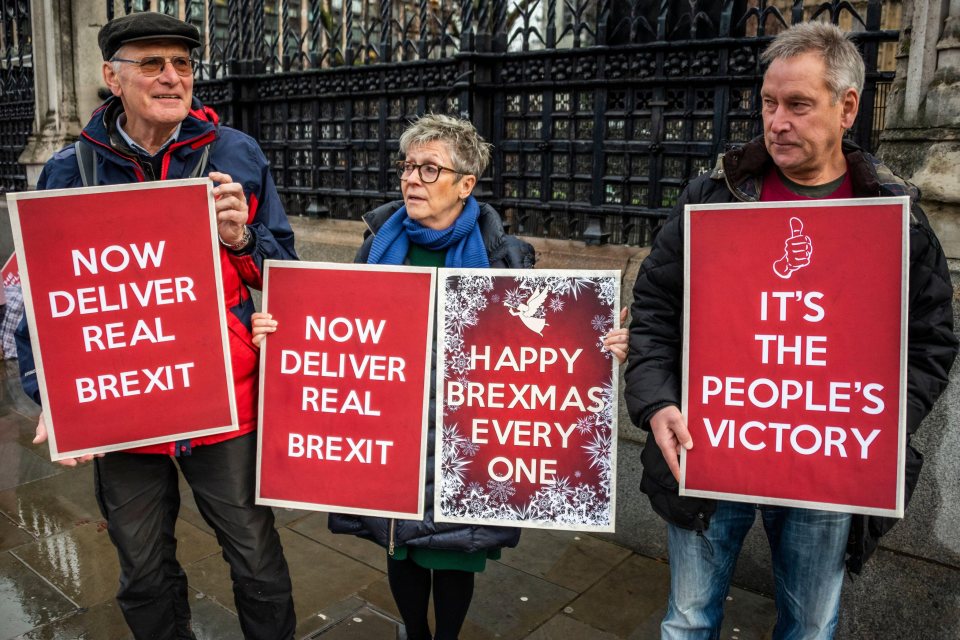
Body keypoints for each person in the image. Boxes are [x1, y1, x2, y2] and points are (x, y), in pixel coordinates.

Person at [624, 21, 957, 640]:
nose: (777, 122)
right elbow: (654, 312)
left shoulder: (891, 216)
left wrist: (875, 423)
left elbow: (931, 340)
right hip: (707, 448)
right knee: (688, 619)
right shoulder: (712, 199)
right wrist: (657, 402)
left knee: (809, 626)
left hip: (824, 464)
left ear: (847, 107)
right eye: (769, 103)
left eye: (798, 105)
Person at [252, 113, 628, 639]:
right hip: (393, 428)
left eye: (430, 169)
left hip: (467, 438)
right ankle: (415, 633)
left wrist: (599, 344)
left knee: (456, 555)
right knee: (398, 545)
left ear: (465, 184)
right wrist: (282, 331)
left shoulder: (504, 257)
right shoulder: (377, 246)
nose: (412, 178)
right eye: (408, 166)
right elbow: (337, 329)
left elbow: (541, 345)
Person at [15, 12, 298, 640]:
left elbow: (285, 272)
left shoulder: (236, 154)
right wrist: (53, 395)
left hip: (226, 403)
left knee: (255, 560)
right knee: (142, 574)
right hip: (125, 413)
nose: (173, 77)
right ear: (112, 77)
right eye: (152, 63)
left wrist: (240, 237)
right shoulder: (69, 172)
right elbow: (40, 302)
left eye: (183, 64)